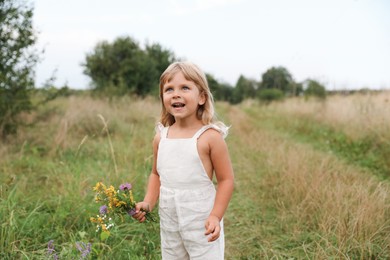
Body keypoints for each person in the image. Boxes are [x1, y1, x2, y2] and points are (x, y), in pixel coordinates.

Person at [132, 61, 234, 260]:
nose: (176, 94)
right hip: (170, 222)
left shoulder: (210, 137)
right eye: (169, 89)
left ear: (202, 97)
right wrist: (148, 202)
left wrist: (216, 215)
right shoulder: (161, 137)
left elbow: (226, 180)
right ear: (163, 98)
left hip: (202, 222)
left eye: (185, 88)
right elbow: (156, 174)